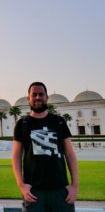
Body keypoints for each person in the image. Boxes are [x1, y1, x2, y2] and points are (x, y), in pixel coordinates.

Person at [12, 82, 78, 212]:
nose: (37, 97)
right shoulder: (22, 124)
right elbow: (16, 156)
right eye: (34, 94)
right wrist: (21, 185)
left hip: (60, 190)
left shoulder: (59, 121)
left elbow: (70, 154)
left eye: (41, 94)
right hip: (34, 192)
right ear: (29, 98)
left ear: (46, 97)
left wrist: (74, 185)